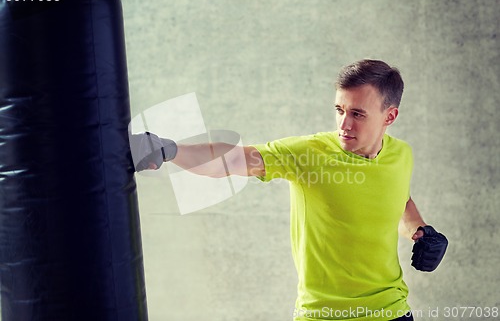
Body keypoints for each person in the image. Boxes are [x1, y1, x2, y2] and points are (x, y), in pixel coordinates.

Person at [132, 59, 445, 321]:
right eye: (339, 110)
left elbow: (399, 198)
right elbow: (232, 160)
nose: (343, 124)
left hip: (391, 313)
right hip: (323, 316)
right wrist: (168, 149)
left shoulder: (401, 155)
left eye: (357, 114)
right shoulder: (309, 153)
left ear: (390, 116)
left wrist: (421, 230)